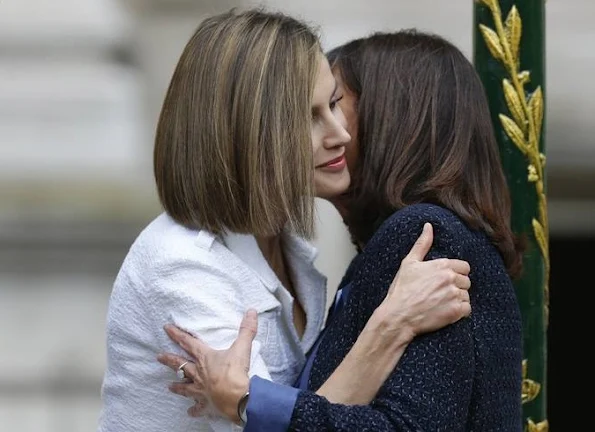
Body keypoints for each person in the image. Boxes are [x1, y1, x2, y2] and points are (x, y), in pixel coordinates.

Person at [97, 11, 472, 432]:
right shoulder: (183, 264)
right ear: (246, 133)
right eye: (309, 116)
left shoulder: (284, 243)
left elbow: (303, 414)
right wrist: (393, 324)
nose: (340, 134)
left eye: (333, 104)